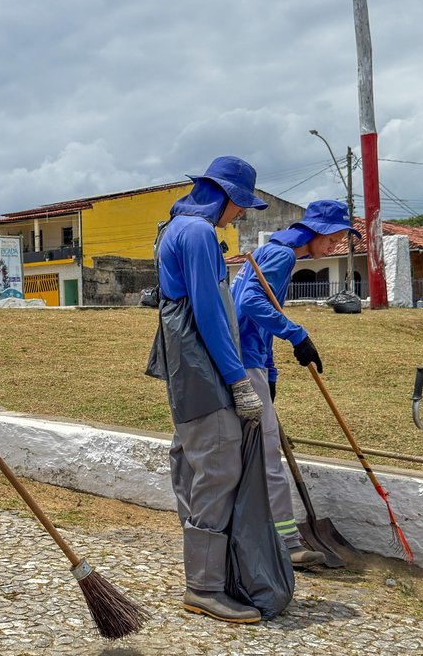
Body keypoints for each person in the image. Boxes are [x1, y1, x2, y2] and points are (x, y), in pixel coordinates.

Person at [146, 155, 269, 625]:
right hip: (201, 361)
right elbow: (211, 315)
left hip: (186, 362)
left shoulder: (175, 227)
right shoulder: (197, 234)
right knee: (217, 464)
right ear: (228, 198)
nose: (240, 216)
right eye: (241, 207)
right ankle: (204, 587)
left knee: (196, 463)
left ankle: (208, 572)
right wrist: (238, 381)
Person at [233, 200, 361, 570]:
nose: (337, 245)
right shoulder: (283, 256)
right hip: (245, 362)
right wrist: (297, 335)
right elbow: (252, 303)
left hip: (250, 361)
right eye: (335, 236)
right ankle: (287, 544)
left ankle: (260, 535)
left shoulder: (271, 252)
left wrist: (271, 372)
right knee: (269, 454)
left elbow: (258, 313)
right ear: (317, 230)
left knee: (255, 453)